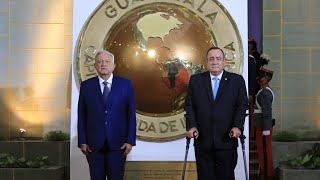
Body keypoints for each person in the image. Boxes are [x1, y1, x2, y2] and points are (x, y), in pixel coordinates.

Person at [185, 47, 249, 180]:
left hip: (227, 139)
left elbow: (242, 106)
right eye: (211, 59)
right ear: (207, 62)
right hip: (203, 141)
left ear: (224, 62)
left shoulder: (236, 81)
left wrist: (237, 127)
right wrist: (191, 126)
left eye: (218, 59)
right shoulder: (196, 81)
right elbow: (189, 106)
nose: (215, 62)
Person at [77, 50, 136, 180]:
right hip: (93, 145)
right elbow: (82, 114)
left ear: (114, 65)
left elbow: (131, 114)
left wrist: (130, 140)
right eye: (100, 61)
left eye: (107, 61)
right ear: (95, 66)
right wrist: (82, 141)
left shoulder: (126, 85)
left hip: (118, 144)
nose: (103, 64)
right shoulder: (86, 86)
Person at [254, 68, 274, 180]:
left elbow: (266, 112)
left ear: (266, 78)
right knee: (262, 151)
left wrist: (265, 129)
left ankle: (267, 175)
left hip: (263, 127)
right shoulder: (263, 90)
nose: (259, 78)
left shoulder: (265, 92)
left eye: (262, 76)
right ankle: (264, 172)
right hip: (261, 126)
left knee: (265, 152)